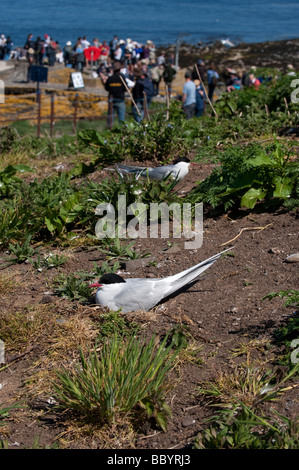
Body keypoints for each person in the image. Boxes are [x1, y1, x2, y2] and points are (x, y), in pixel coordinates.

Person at [102, 60, 127, 125]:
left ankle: (109, 130)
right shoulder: (122, 78)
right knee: (121, 118)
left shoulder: (110, 78)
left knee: (110, 118)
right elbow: (125, 88)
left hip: (112, 99)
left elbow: (106, 88)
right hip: (120, 99)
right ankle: (122, 132)